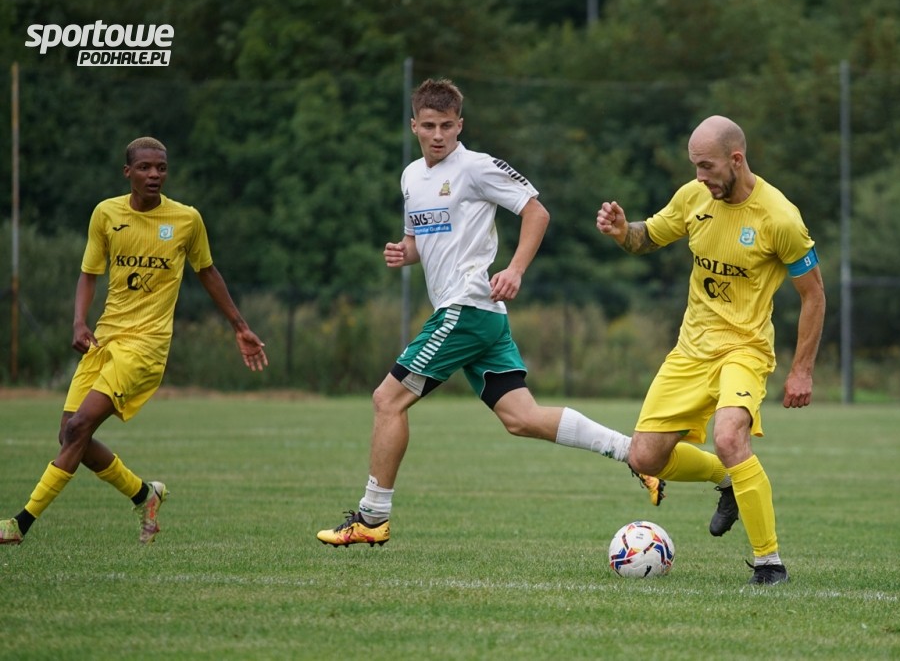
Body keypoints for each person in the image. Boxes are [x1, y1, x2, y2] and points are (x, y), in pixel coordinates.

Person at [317, 78, 637, 547]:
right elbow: (419, 239)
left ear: (460, 125)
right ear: (414, 125)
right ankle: (632, 452)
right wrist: (405, 253)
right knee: (521, 418)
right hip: (479, 316)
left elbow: (537, 213)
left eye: (447, 125)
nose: (439, 135)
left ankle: (372, 517)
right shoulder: (411, 177)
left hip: (466, 306)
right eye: (430, 125)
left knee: (387, 399)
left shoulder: (476, 167)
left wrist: (515, 269)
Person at [0, 136, 268, 546]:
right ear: (128, 172)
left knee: (79, 426)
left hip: (146, 346)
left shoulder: (186, 219)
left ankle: (19, 524)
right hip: (105, 340)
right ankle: (145, 495)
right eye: (144, 167)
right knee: (69, 434)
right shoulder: (106, 213)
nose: (154, 174)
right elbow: (89, 273)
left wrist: (240, 326)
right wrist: (79, 322)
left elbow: (208, 272)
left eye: (161, 167)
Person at [595, 115, 826, 585]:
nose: (700, 176)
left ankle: (769, 564)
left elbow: (814, 295)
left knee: (730, 437)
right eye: (694, 166)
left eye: (706, 166)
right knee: (644, 458)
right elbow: (647, 237)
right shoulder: (693, 197)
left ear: (736, 160)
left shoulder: (780, 217)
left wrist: (802, 370)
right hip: (691, 350)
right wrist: (622, 231)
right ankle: (729, 479)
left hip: (744, 349)